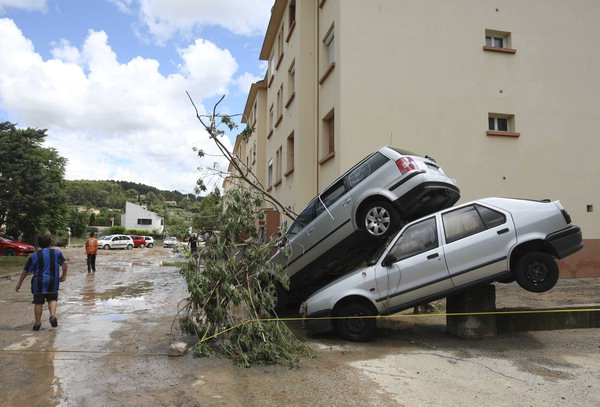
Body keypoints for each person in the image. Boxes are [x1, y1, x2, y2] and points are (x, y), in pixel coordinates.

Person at [15, 235, 68, 331]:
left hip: (38, 281)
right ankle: (52, 315)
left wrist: (19, 283)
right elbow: (64, 264)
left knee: (38, 302)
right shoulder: (56, 253)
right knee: (52, 299)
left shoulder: (34, 255)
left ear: (39, 244)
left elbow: (26, 271)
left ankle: (37, 323)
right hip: (53, 280)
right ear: (50, 243)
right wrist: (63, 275)